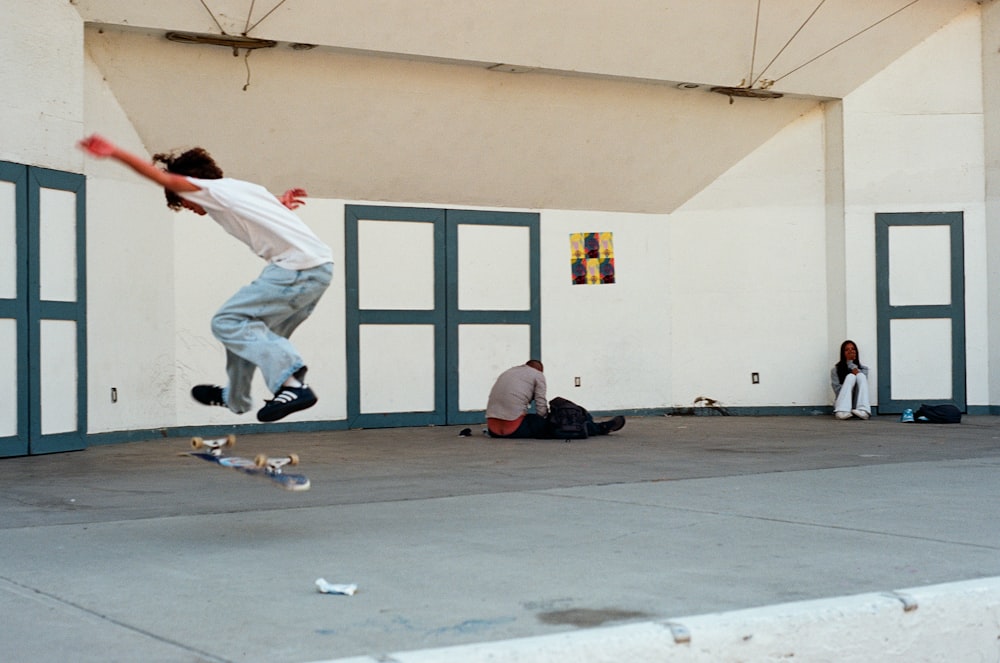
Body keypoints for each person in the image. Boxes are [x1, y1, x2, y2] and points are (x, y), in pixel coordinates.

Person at [78, 134, 333, 423]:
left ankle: (293, 387)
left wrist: (115, 153)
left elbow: (168, 180)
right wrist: (280, 202)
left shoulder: (210, 189)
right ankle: (236, 396)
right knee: (250, 334)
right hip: (318, 269)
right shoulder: (238, 190)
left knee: (228, 322)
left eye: (185, 201)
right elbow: (260, 204)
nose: (190, 208)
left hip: (297, 269)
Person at [485, 360, 626, 438]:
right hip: (515, 429)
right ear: (540, 369)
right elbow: (541, 404)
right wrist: (546, 421)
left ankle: (595, 425)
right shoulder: (537, 375)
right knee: (561, 426)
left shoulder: (508, 372)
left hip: (493, 430)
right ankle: (600, 427)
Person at [831, 339, 871, 420]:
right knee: (850, 377)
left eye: (853, 349)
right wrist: (849, 363)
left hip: (857, 405)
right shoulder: (835, 370)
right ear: (842, 353)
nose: (850, 351)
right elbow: (838, 391)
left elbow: (863, 388)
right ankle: (842, 411)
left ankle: (863, 410)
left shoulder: (864, 369)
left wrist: (851, 364)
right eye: (846, 350)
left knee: (860, 376)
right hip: (842, 404)